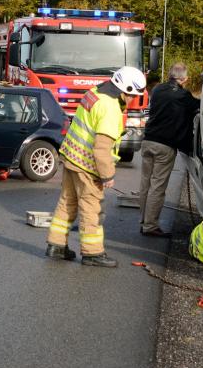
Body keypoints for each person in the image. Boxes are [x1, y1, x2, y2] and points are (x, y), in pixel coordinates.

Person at [45, 65, 146, 268]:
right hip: (88, 166)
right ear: (125, 90)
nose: (133, 99)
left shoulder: (95, 92)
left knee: (67, 202)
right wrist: (108, 176)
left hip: (71, 157)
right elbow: (101, 149)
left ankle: (56, 245)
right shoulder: (110, 109)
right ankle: (92, 253)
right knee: (92, 209)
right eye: (132, 94)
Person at [139, 63, 200, 237]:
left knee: (145, 183)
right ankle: (150, 226)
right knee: (158, 186)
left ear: (169, 76)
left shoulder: (157, 90)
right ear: (185, 79)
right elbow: (198, 106)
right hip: (164, 147)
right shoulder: (183, 95)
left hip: (148, 141)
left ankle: (143, 220)